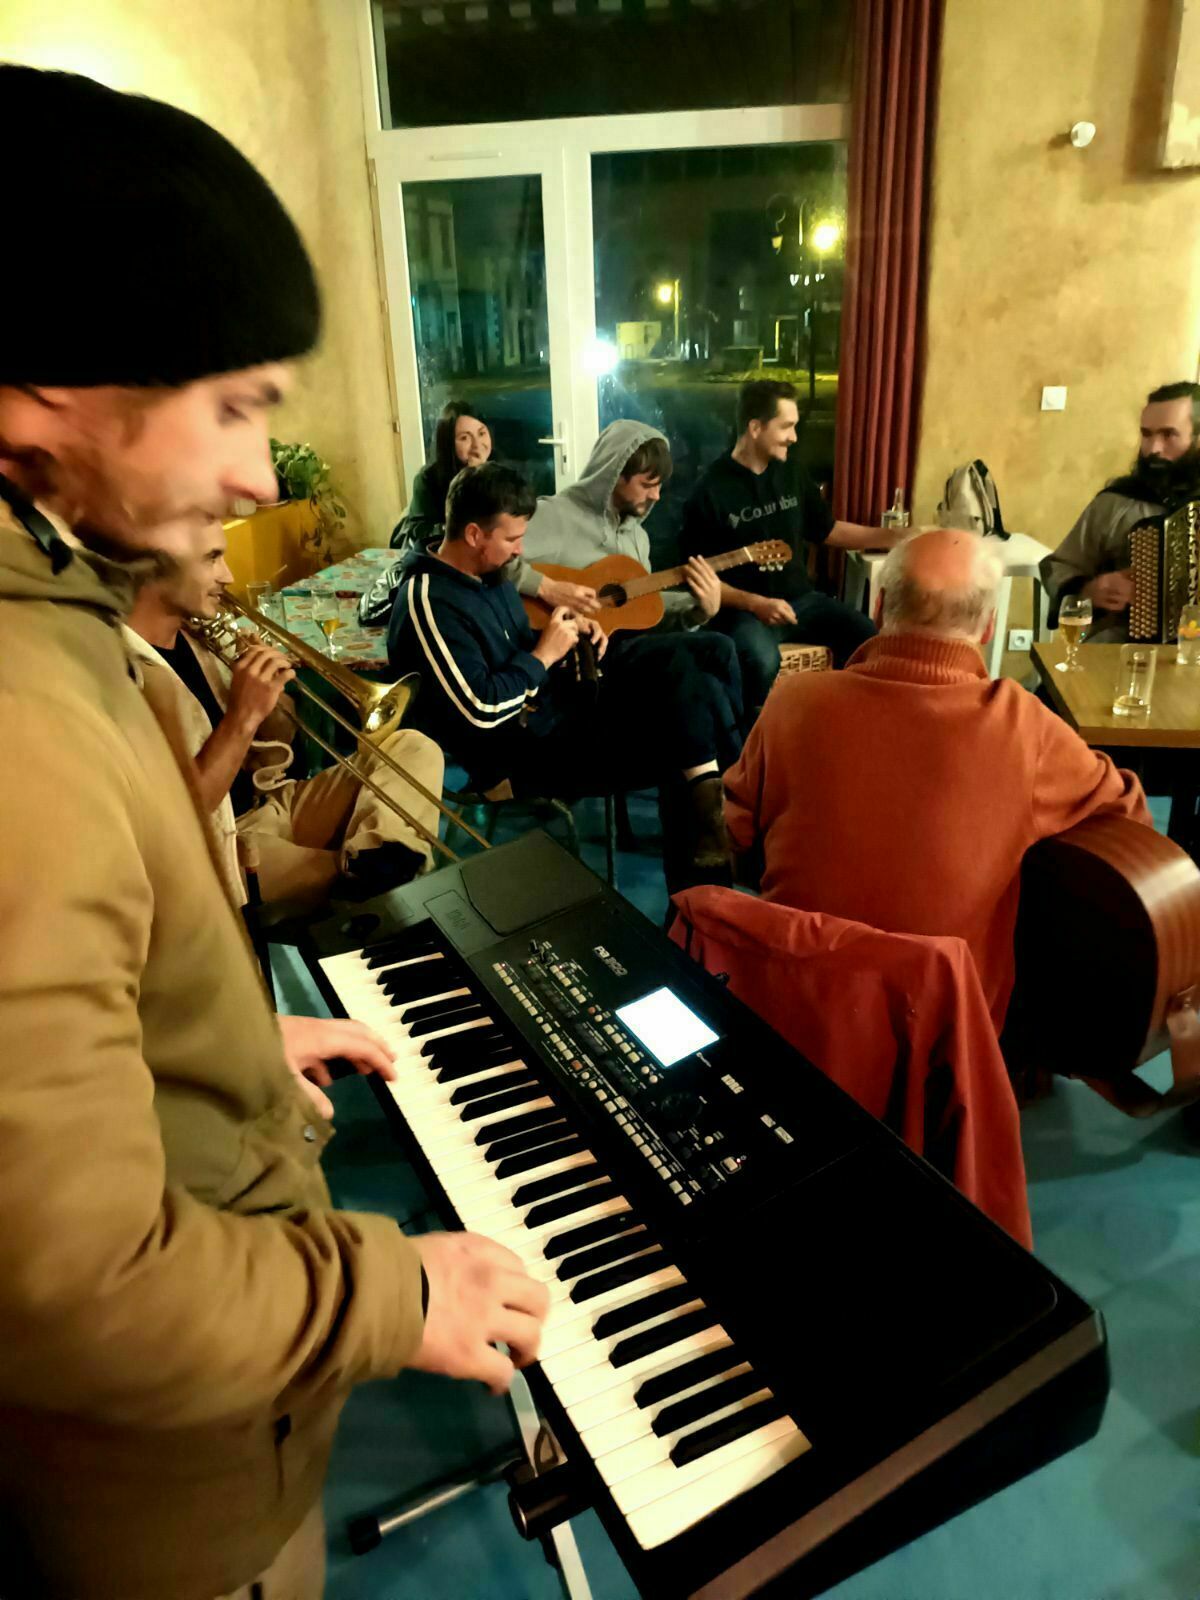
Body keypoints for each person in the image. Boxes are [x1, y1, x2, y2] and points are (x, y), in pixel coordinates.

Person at [0, 67, 547, 1600]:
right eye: (232, 405)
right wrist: (393, 1291)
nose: (256, 475)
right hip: (177, 1515)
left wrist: (221, 1038)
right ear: (43, 390)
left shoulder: (61, 624)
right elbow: (75, 1291)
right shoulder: (20, 714)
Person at [723, 527, 1151, 1028]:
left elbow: (734, 835)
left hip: (791, 1006)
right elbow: (1130, 820)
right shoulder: (1024, 725)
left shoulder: (793, 700)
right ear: (989, 626)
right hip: (939, 1029)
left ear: (878, 607)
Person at [388, 462, 743, 892]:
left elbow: (517, 645)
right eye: (513, 539)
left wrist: (568, 629)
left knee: (707, 654)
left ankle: (722, 810)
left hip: (555, 704)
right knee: (683, 723)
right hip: (516, 753)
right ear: (475, 535)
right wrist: (544, 655)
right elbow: (480, 709)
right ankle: (717, 853)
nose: (520, 551)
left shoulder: (488, 572)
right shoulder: (428, 600)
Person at [125, 520, 446, 907]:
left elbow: (279, 743)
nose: (227, 576)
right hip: (214, 843)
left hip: (271, 802)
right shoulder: (124, 673)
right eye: (211, 559)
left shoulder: (199, 636)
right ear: (157, 564)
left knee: (414, 747)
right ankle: (376, 877)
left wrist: (270, 698)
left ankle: (376, 869)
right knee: (369, 878)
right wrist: (242, 715)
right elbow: (175, 819)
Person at [506, 418, 746, 732]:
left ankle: (733, 757)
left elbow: (641, 613)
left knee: (711, 668)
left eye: (659, 485)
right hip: (576, 660)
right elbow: (494, 561)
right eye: (647, 485)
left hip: (625, 648)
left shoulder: (638, 538)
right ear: (615, 474)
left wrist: (697, 612)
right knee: (714, 652)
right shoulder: (554, 515)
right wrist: (548, 588)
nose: (657, 496)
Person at [682, 379, 898, 711]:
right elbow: (697, 576)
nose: (794, 437)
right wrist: (756, 603)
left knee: (867, 636)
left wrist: (895, 537)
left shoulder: (792, 472)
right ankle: (754, 734)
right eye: (786, 426)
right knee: (759, 659)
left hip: (803, 601)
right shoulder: (709, 491)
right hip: (745, 612)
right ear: (755, 427)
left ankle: (843, 717)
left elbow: (828, 530)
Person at [1040, 381, 1200, 643]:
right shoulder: (1116, 503)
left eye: (1168, 435)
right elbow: (1060, 566)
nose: (1153, 449)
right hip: (1120, 648)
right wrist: (1089, 590)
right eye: (1146, 434)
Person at [390, 398, 492, 550]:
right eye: (464, 438)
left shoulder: (501, 474)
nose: (477, 445)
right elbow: (419, 531)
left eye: (481, 433)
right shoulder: (428, 478)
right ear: (448, 443)